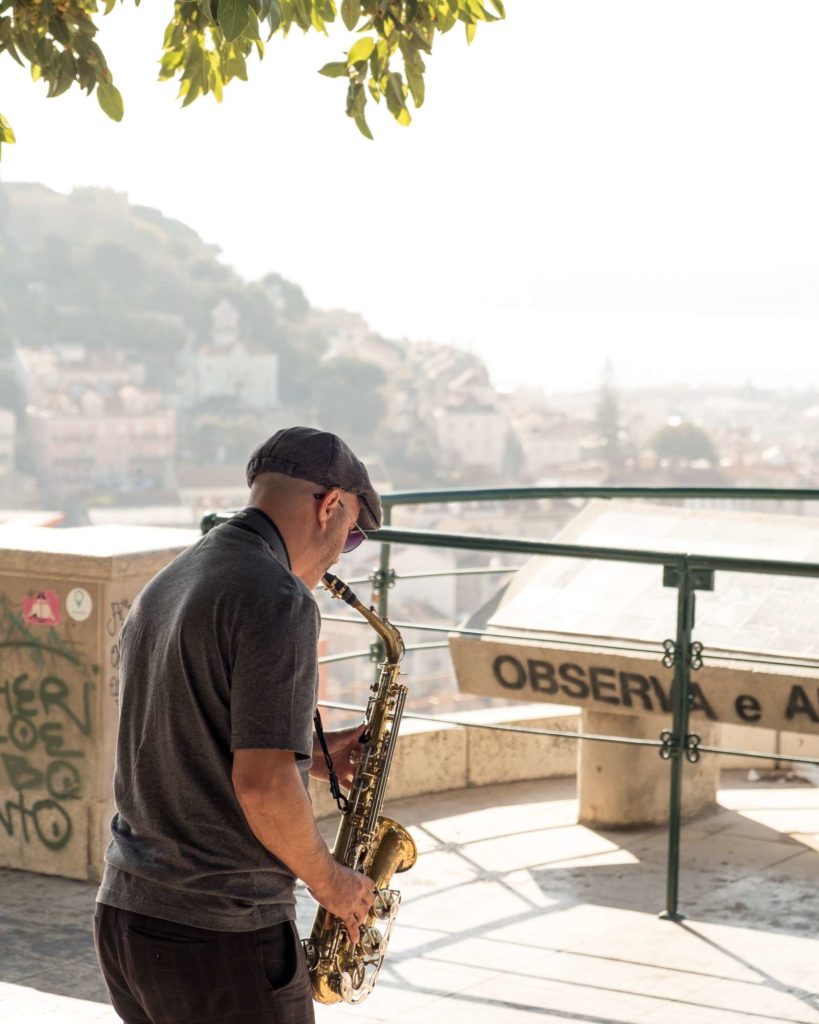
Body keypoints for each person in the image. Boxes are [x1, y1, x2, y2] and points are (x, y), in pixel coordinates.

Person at [94, 426, 381, 1024]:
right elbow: (265, 785)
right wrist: (331, 882)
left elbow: (186, 724)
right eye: (350, 534)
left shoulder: (171, 580)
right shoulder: (277, 598)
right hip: (219, 937)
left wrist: (315, 747)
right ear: (329, 505)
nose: (339, 553)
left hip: (129, 919)